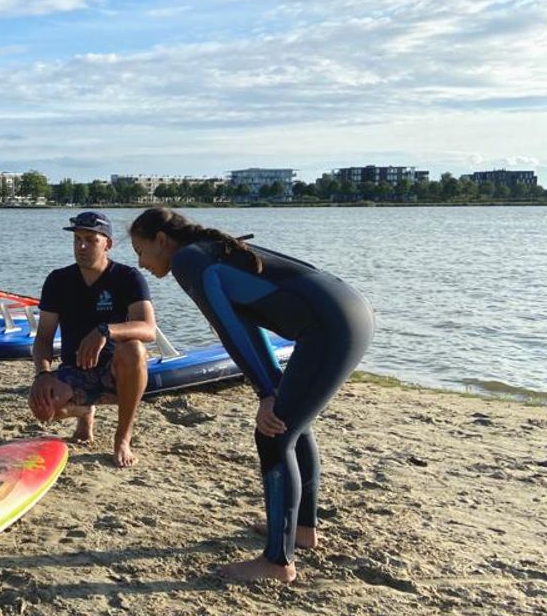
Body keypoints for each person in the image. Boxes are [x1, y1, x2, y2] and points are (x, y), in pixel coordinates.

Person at [128, 207, 374, 582]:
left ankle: (278, 562)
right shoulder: (207, 250)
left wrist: (265, 392)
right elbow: (249, 322)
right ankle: (304, 531)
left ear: (162, 240)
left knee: (273, 434)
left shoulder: (188, 261)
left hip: (329, 327)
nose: (141, 263)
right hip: (347, 313)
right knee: (291, 423)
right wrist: (272, 386)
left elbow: (230, 329)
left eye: (140, 251)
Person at [28, 211, 156, 468]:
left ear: (107, 243)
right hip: (75, 370)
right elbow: (43, 338)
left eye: (90, 239)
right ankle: (85, 413)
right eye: (77, 239)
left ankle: (122, 438)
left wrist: (105, 331)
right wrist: (42, 374)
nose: (82, 246)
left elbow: (148, 329)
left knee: (134, 349)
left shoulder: (128, 278)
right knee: (41, 407)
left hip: (117, 372)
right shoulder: (58, 280)